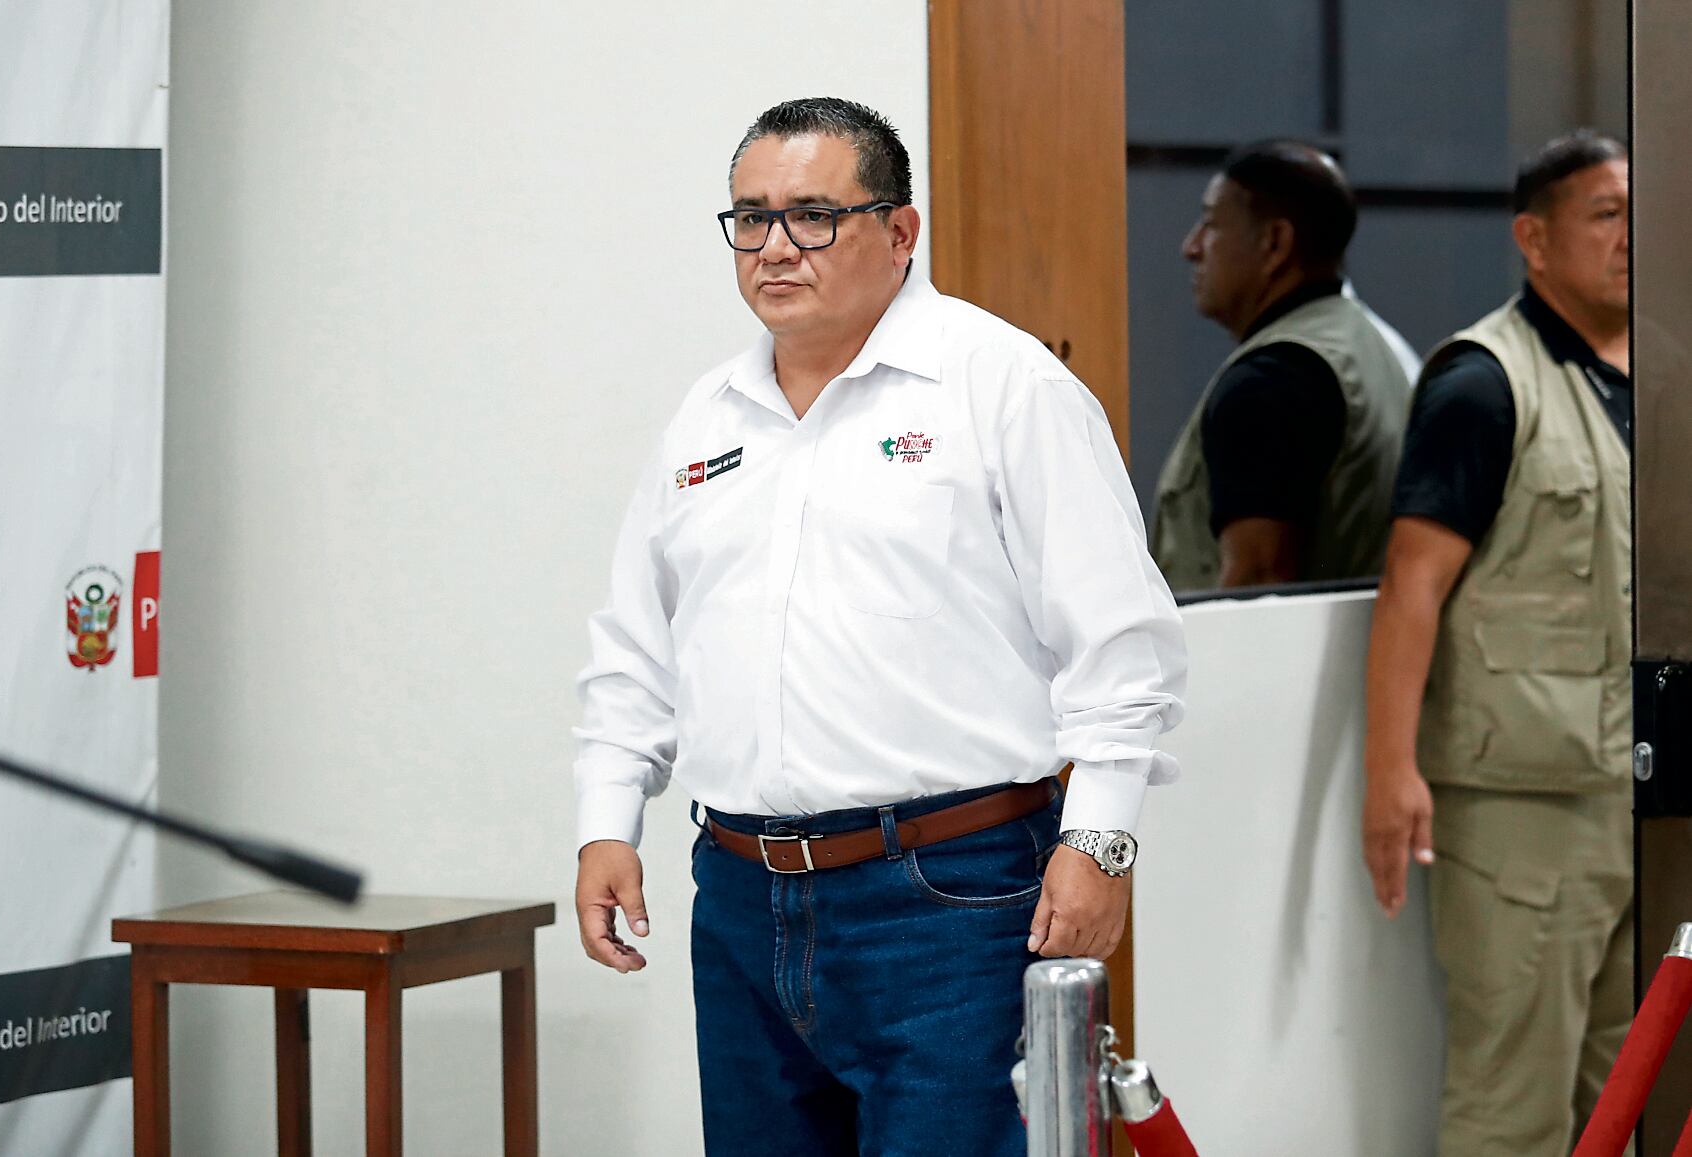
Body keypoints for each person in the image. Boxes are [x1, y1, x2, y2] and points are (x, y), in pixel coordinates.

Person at [571, 97, 1186, 1156]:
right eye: (750, 218)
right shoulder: (706, 418)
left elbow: (1121, 646)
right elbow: (637, 646)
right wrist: (605, 819)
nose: (775, 247)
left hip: (948, 897)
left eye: (813, 216)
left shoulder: (1003, 387)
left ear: (900, 231)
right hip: (740, 895)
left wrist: (1098, 841)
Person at [1361, 130, 1632, 1156]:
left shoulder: (1654, 377)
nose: (1632, 236)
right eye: (1606, 214)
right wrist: (1391, 771)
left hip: (1637, 793)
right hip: (1522, 808)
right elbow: (1412, 583)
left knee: (1629, 1095)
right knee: (1513, 1104)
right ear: (1534, 238)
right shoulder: (1485, 381)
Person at [1152, 140, 1411, 591]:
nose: (1190, 247)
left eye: (1211, 224)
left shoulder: (1272, 381)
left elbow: (1256, 585)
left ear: (1275, 243)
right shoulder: (1373, 346)